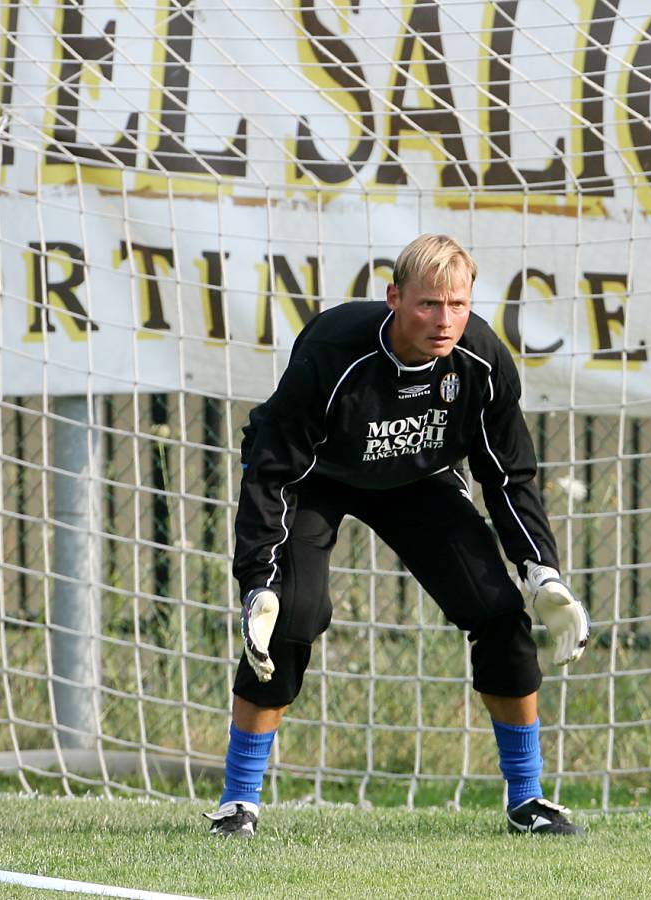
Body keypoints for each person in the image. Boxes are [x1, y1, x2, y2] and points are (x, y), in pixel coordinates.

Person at [204, 234, 590, 838]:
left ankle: (527, 801)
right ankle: (237, 804)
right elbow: (272, 466)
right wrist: (258, 580)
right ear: (394, 299)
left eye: (457, 305)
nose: (445, 321)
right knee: (291, 618)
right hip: (317, 479)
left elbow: (508, 472)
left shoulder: (482, 361)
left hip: (418, 477)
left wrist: (540, 569)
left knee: (498, 613)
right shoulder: (333, 352)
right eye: (428, 305)